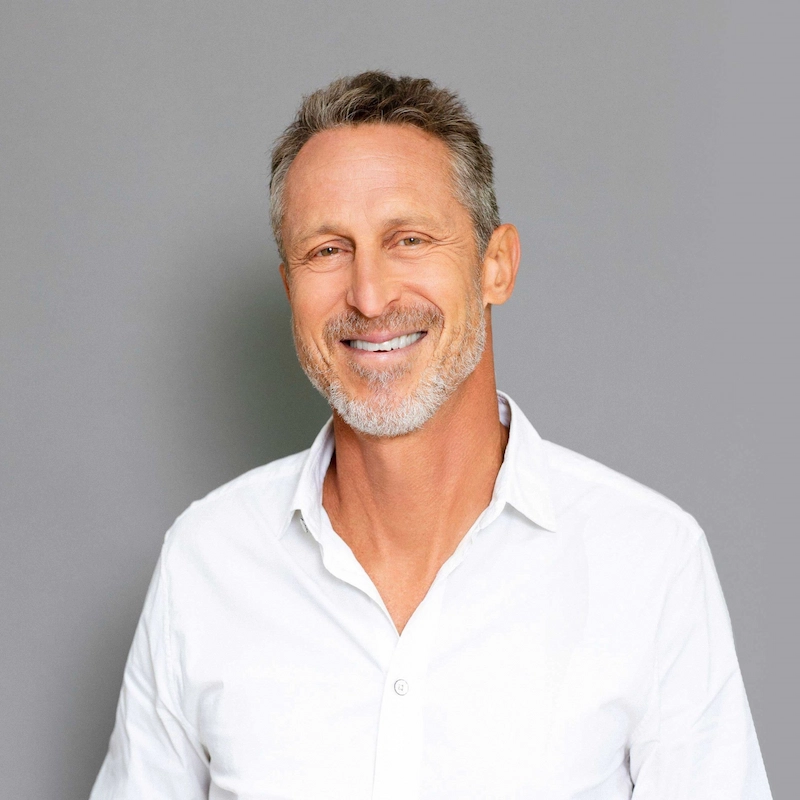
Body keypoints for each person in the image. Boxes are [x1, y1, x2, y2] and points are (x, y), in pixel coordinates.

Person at [90, 71, 771, 799]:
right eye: (327, 251)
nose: (371, 295)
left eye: (408, 239)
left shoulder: (650, 564)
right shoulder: (206, 562)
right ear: (290, 288)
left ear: (495, 265)